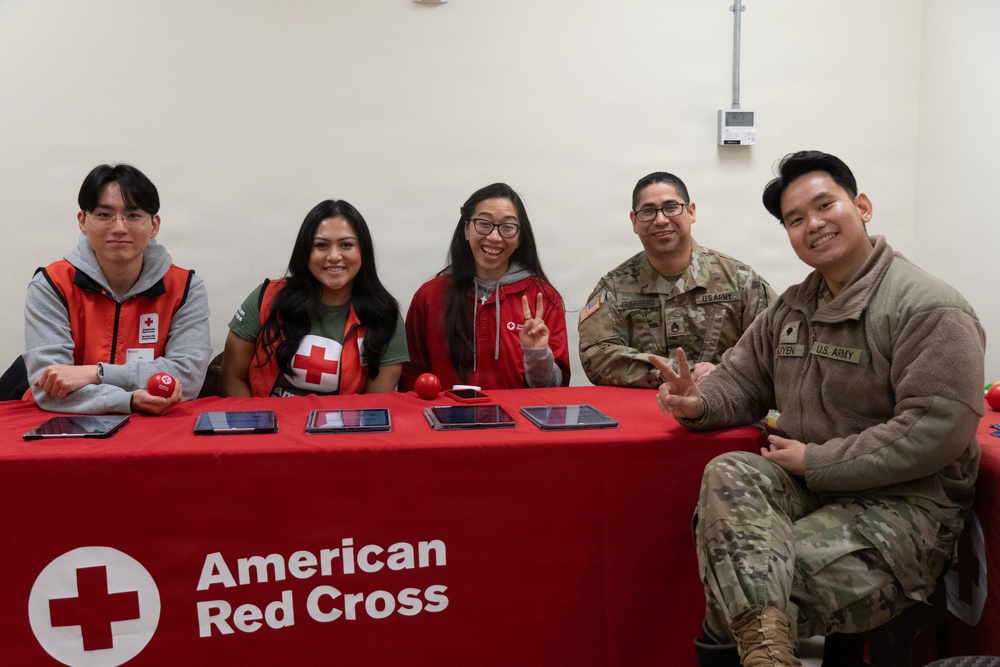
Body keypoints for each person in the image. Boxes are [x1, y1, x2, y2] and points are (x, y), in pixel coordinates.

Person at [652, 151, 985, 667]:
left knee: (745, 590)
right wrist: (698, 402)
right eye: (795, 219)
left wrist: (817, 461)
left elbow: (933, 429)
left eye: (824, 204)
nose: (813, 224)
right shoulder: (791, 308)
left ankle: (760, 649)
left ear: (863, 206)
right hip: (814, 494)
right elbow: (742, 380)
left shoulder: (927, 307)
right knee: (731, 469)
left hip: (902, 508)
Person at [22, 163, 212, 414]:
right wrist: (128, 400)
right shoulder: (51, 285)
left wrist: (96, 373)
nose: (119, 228)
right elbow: (50, 385)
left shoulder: (186, 288)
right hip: (66, 423)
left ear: (154, 225)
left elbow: (187, 378)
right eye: (104, 215)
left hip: (155, 425)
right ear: (83, 222)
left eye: (133, 215)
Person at [578, 171, 774, 388]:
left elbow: (774, 346)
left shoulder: (740, 280)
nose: (660, 220)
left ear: (691, 212)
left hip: (724, 411)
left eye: (671, 207)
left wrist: (724, 373)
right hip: (641, 413)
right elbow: (597, 356)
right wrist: (681, 374)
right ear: (634, 221)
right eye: (648, 211)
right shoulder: (613, 289)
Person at [221, 199, 407, 397]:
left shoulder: (384, 315)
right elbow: (231, 378)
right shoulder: (266, 297)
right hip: (268, 424)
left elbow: (373, 407)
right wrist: (258, 424)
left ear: (363, 251)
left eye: (347, 244)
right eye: (321, 245)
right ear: (305, 252)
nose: (334, 256)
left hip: (344, 427)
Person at [400, 183, 570, 391]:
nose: (494, 237)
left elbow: (555, 390)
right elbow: (410, 378)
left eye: (507, 227)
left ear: (518, 239)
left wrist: (537, 356)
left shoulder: (543, 297)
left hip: (519, 421)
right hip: (445, 421)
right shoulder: (429, 296)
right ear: (466, 229)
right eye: (484, 223)